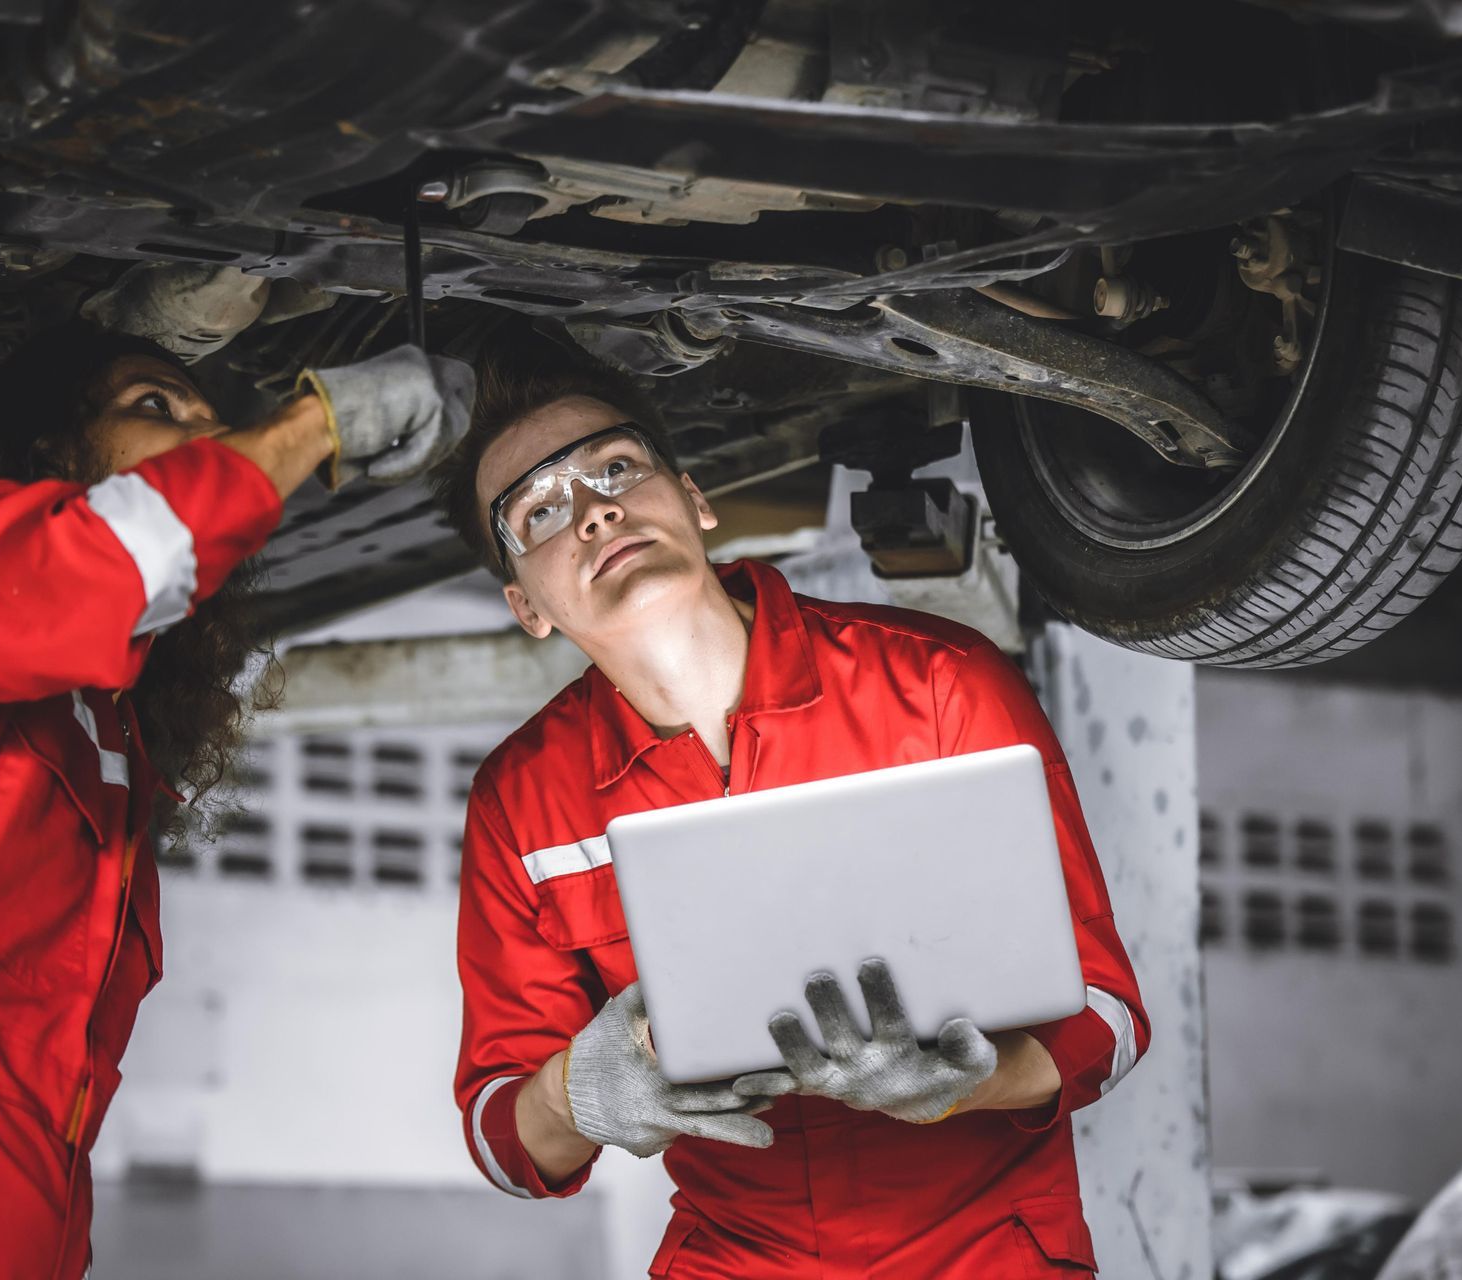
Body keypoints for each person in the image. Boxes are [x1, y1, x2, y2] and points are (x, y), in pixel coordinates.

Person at [0, 322, 472, 1278]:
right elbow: (112, 559)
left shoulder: (86, 733)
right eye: (155, 408)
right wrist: (313, 425)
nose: (204, 433)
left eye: (210, 417)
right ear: (52, 451)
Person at [438, 337, 1148, 1277]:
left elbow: (1107, 1017)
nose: (597, 510)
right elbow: (506, 1142)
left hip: (986, 1251)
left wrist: (959, 1086)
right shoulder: (522, 803)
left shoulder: (940, 686)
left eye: (617, 468)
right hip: (737, 1256)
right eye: (539, 511)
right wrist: (581, 1094)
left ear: (694, 501)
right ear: (526, 603)